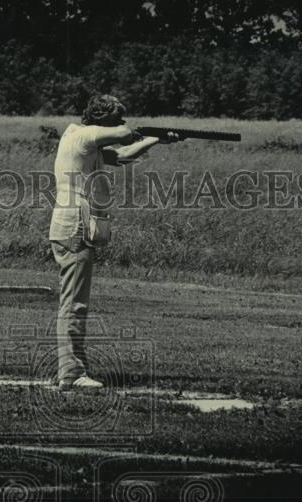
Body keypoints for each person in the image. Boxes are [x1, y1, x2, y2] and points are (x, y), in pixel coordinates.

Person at [50, 94, 180, 390]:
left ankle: (73, 368)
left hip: (72, 228)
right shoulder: (84, 135)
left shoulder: (84, 142)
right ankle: (70, 373)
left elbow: (122, 156)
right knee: (73, 304)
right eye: (117, 118)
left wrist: (156, 140)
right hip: (75, 228)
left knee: (75, 303)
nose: (121, 124)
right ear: (104, 121)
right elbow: (123, 135)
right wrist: (137, 130)